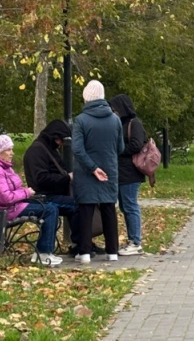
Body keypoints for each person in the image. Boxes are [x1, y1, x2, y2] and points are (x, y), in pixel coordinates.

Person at [0, 134, 63, 267]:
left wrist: (25, 192)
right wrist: (26, 192)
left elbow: (11, 190)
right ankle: (43, 252)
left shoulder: (3, 167)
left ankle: (45, 251)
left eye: (11, 149)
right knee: (50, 210)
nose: (12, 153)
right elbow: (6, 198)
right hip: (5, 210)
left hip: (13, 205)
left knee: (49, 206)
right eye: (8, 150)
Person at [71, 80, 125, 264]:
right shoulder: (115, 120)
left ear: (86, 97)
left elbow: (77, 149)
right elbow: (120, 147)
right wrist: (105, 162)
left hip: (86, 172)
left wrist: (92, 168)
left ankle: (84, 252)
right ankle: (112, 252)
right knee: (109, 209)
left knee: (86, 210)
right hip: (109, 170)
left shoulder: (81, 120)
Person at [23, 119, 82, 255]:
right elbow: (41, 179)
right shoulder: (37, 151)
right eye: (60, 140)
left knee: (82, 203)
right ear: (53, 137)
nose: (61, 143)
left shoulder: (48, 149)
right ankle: (80, 244)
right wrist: (67, 178)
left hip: (52, 193)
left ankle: (82, 243)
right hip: (43, 196)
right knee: (77, 206)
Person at [109, 94, 146, 256]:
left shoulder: (134, 124)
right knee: (125, 206)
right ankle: (132, 239)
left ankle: (136, 241)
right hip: (121, 172)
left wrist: (118, 150)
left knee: (130, 205)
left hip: (130, 172)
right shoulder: (119, 124)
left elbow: (136, 145)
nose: (113, 112)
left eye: (115, 109)